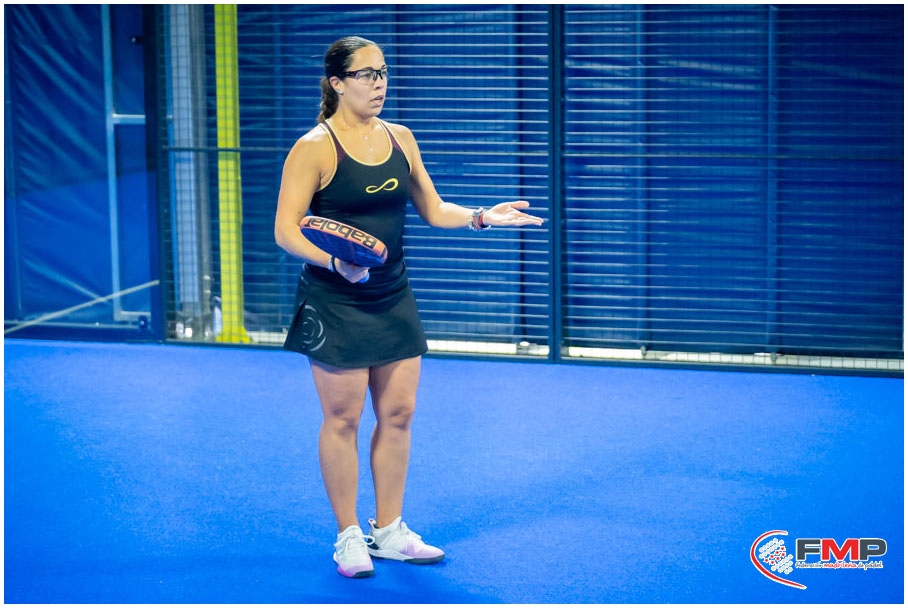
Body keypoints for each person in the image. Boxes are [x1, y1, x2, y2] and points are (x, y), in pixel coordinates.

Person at [274, 36, 543, 579]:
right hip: (334, 300)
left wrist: (482, 217)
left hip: (392, 294)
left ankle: (389, 530)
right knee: (343, 419)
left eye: (383, 72)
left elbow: (433, 208)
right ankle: (349, 535)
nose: (378, 84)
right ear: (337, 83)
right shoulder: (314, 148)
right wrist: (334, 263)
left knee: (398, 414)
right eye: (366, 74)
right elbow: (286, 230)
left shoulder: (400, 137)